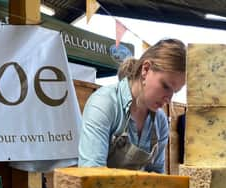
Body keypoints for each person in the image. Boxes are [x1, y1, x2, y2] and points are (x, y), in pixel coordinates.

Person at [78, 39, 186, 173]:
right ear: (146, 69)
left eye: (174, 92)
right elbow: (91, 173)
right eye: (165, 86)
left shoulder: (160, 121)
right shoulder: (104, 103)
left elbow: (157, 177)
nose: (169, 99)